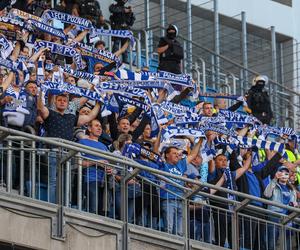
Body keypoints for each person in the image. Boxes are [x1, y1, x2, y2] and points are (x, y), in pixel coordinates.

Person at [38, 93, 100, 203]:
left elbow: (90, 117)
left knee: (66, 182)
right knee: (53, 180)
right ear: (55, 102)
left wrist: (99, 102)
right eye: (60, 100)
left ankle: (64, 205)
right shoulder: (50, 113)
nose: (62, 102)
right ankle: (52, 205)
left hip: (67, 154)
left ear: (67, 104)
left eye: (64, 101)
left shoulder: (71, 117)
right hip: (53, 151)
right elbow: (40, 108)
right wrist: (40, 93)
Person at [79, 119, 112, 215]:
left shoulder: (104, 146)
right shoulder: (83, 142)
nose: (99, 128)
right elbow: (79, 162)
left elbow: (110, 163)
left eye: (100, 127)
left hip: (104, 181)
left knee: (103, 212)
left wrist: (111, 169)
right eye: (96, 126)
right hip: (90, 179)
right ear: (89, 128)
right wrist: (96, 162)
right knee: (93, 209)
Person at [264, 166, 297, 250]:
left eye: (286, 173)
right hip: (275, 214)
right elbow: (266, 194)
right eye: (281, 172)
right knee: (272, 240)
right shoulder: (273, 184)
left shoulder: (291, 189)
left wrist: (294, 204)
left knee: (288, 241)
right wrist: (275, 179)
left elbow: (294, 204)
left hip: (288, 217)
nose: (284, 175)